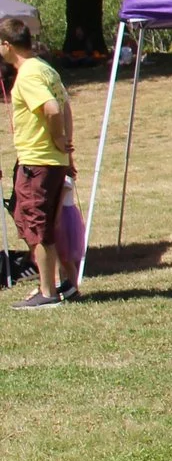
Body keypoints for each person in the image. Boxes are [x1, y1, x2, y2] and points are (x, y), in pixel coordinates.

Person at [3, 17, 75, 309]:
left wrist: (58, 140)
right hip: (50, 160)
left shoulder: (29, 73)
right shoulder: (46, 68)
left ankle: (48, 292)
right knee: (43, 223)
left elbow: (53, 108)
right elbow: (66, 105)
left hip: (37, 161)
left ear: (7, 45)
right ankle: (61, 284)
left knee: (37, 226)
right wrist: (66, 150)